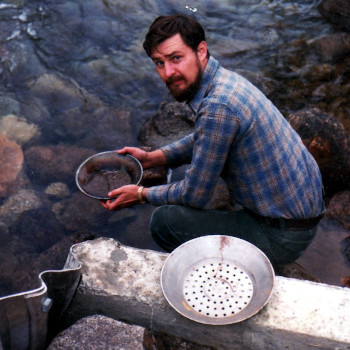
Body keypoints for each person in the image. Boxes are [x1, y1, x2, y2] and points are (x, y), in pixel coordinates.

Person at [101, 14, 325, 266]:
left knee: (164, 223)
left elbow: (195, 195)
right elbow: (206, 138)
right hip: (304, 212)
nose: (168, 72)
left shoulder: (218, 106)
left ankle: (230, 269)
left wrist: (141, 194)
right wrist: (155, 158)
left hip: (283, 236)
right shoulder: (224, 81)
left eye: (176, 58)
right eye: (159, 63)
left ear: (201, 51)